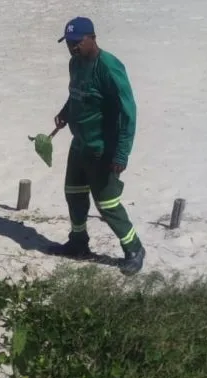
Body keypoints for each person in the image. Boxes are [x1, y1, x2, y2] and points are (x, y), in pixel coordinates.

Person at [50, 16, 145, 275]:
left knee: (108, 203)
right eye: (68, 43)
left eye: (77, 42)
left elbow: (129, 112)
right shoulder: (75, 64)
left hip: (102, 149)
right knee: (74, 194)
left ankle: (134, 249)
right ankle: (78, 243)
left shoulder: (109, 67)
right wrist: (65, 113)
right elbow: (76, 94)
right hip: (79, 144)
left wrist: (122, 153)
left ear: (92, 38)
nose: (72, 48)